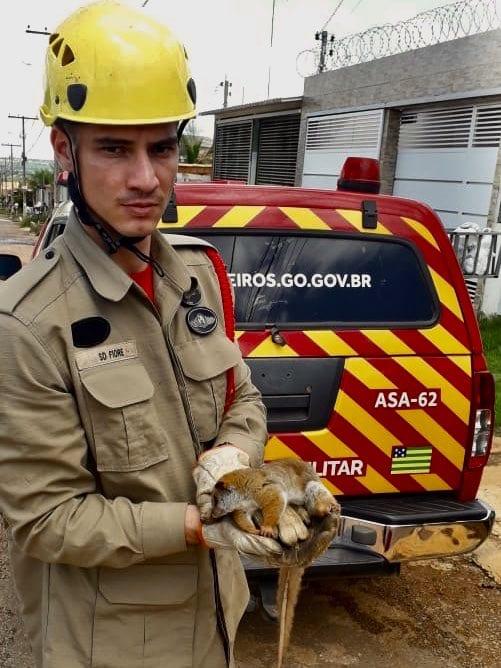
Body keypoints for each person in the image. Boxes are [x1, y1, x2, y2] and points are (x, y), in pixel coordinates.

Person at [0, 2, 288, 666]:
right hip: (109, 645)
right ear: (63, 151)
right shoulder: (28, 323)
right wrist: (202, 524)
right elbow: (47, 520)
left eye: (161, 148)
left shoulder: (194, 277)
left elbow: (241, 398)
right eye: (114, 149)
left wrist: (231, 470)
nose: (146, 178)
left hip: (214, 621)